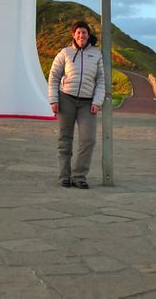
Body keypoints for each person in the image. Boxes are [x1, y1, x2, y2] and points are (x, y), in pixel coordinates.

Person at [48, 20, 105, 189]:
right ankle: (64, 176)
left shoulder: (96, 54)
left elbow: (101, 79)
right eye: (78, 32)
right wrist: (53, 99)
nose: (81, 35)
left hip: (87, 103)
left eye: (84, 32)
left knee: (88, 139)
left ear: (88, 35)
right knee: (65, 138)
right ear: (73, 35)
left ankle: (79, 176)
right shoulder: (64, 53)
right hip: (66, 99)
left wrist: (97, 101)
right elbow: (54, 77)